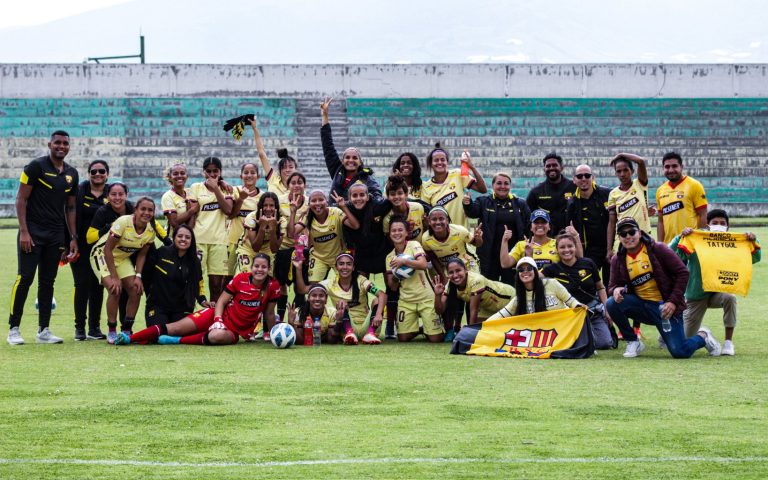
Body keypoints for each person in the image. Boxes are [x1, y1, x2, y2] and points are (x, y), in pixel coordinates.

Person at [606, 218, 721, 358]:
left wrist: (672, 302)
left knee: (680, 352)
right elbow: (611, 286)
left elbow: (683, 273)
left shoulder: (658, 249)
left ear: (640, 233)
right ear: (619, 237)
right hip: (642, 306)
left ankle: (703, 336)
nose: (628, 236)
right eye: (623, 234)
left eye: (631, 232)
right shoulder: (617, 259)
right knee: (611, 303)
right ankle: (633, 341)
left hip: (665, 308)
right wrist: (616, 290)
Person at [7, 130, 79, 345]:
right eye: (57, 142)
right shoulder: (35, 167)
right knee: (25, 278)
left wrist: (72, 238)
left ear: (69, 146)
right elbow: (21, 198)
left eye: (65, 143)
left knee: (48, 282)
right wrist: (25, 231)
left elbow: (71, 207)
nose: (61, 146)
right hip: (33, 232)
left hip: (55, 235)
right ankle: (14, 329)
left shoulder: (72, 174)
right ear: (49, 144)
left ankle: (44, 330)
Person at [115, 253, 280, 346]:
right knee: (174, 327)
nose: (259, 270)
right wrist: (217, 319)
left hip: (235, 331)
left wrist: (273, 335)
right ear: (252, 267)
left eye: (263, 267)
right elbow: (221, 301)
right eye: (257, 266)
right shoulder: (241, 279)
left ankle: (176, 341)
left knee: (216, 337)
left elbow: (270, 313)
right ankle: (130, 338)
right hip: (216, 316)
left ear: (269, 269)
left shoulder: (273, 286)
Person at [670, 209, 761, 356]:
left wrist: (753, 240)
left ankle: (728, 342)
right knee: (683, 342)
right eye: (715, 223)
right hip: (696, 295)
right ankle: (705, 336)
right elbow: (670, 253)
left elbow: (754, 258)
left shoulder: (732, 243)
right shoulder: (696, 239)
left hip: (719, 290)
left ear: (728, 226)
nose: (719, 225)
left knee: (730, 297)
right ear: (707, 225)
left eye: (722, 223)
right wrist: (679, 237)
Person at [89, 197, 160, 344]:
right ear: (136, 210)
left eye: (150, 210)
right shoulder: (123, 222)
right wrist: (114, 277)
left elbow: (142, 254)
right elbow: (107, 249)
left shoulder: (150, 230)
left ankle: (127, 329)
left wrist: (138, 276)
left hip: (121, 259)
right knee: (115, 289)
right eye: (143, 209)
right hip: (101, 255)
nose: (146, 213)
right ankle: (112, 331)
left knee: (136, 289)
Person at [294, 253, 387, 345]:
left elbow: (382, 294)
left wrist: (378, 314)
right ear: (336, 267)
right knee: (342, 303)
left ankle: (370, 333)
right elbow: (302, 290)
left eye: (349, 264)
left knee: (378, 300)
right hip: (345, 328)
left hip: (367, 325)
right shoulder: (330, 283)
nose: (345, 267)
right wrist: (298, 269)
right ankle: (349, 333)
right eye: (341, 264)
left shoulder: (361, 280)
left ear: (353, 267)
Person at [542, 233, 615, 350]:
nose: (566, 250)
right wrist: (528, 255)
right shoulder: (551, 269)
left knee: (604, 343)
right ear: (557, 250)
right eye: (562, 247)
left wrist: (607, 309)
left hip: (592, 312)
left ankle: (591, 332)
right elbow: (532, 279)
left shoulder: (588, 263)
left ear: (576, 247)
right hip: (569, 316)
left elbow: (600, 287)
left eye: (570, 246)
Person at [385, 217, 444, 343]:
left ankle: (430, 329)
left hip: (426, 298)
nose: (397, 233)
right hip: (406, 300)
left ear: (407, 233)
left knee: (436, 339)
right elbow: (392, 286)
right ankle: (421, 329)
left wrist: (405, 261)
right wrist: (397, 274)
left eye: (400, 230)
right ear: (389, 234)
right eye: (393, 231)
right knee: (403, 338)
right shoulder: (389, 257)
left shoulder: (414, 245)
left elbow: (422, 264)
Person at [464, 171, 530, 284]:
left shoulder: (520, 203)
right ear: (493, 185)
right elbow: (472, 213)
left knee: (513, 286)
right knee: (489, 288)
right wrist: (467, 204)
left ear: (510, 186)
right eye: (499, 183)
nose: (503, 186)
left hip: (513, 254)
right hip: (489, 254)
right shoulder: (484, 201)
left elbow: (529, 225)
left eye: (506, 183)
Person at [145, 224, 215, 326]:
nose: (183, 239)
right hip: (158, 306)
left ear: (192, 241)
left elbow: (199, 282)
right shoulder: (162, 252)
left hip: (182, 308)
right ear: (174, 238)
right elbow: (147, 273)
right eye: (180, 236)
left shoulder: (194, 261)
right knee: (159, 335)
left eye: (187, 237)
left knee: (179, 333)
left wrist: (203, 300)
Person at [71, 160, 110, 341]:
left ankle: (94, 328)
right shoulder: (79, 191)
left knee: (98, 286)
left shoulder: (112, 193)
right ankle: (80, 328)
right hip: (81, 246)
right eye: (93, 171)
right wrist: (70, 242)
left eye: (101, 171)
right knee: (81, 285)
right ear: (88, 174)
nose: (97, 174)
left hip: (103, 250)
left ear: (107, 174)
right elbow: (69, 214)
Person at [187, 157, 234, 301]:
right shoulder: (195, 188)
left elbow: (228, 210)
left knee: (216, 284)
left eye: (216, 171)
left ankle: (214, 318)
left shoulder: (226, 189)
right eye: (209, 171)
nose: (212, 174)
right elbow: (193, 212)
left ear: (220, 172)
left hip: (219, 241)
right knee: (194, 279)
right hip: (199, 240)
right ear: (203, 172)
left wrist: (216, 189)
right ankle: (191, 313)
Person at [320, 97, 382, 202]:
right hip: (334, 215)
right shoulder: (337, 170)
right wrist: (325, 115)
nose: (351, 160)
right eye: (347, 157)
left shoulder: (367, 179)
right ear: (343, 160)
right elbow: (327, 146)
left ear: (360, 162)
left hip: (353, 217)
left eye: (355, 157)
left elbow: (377, 195)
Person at [293, 190, 360, 282]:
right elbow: (292, 233)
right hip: (318, 257)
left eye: (321, 199)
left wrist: (343, 207)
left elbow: (355, 225)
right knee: (314, 288)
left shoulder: (335, 212)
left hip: (339, 256)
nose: (317, 203)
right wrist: (293, 212)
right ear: (309, 204)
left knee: (346, 285)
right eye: (313, 201)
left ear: (327, 201)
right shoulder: (308, 216)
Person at [488, 256, 582, 320]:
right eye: (521, 270)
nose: (525, 272)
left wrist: (580, 308)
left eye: (529, 268)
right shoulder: (519, 298)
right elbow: (501, 315)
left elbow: (571, 301)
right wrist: (482, 326)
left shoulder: (551, 283)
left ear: (536, 271)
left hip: (563, 325)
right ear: (518, 275)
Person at [421, 143, 487, 229]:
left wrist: (472, 167)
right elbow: (427, 217)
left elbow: (482, 189)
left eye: (442, 159)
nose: (440, 162)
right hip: (440, 236)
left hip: (461, 233)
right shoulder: (426, 187)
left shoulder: (457, 174)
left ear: (447, 162)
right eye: (436, 160)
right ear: (431, 163)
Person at [434, 258, 514, 325]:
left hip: (507, 299)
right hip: (487, 307)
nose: (455, 275)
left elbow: (473, 309)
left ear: (465, 269)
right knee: (483, 329)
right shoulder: (450, 285)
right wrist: (437, 295)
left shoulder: (476, 280)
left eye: (458, 270)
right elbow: (439, 311)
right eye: (451, 272)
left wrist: (470, 332)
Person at [566, 164, 611, 283]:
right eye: (580, 176)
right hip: (589, 251)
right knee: (588, 282)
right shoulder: (572, 202)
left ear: (593, 177)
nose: (584, 179)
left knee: (611, 284)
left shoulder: (607, 194)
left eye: (587, 175)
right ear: (574, 180)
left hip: (610, 247)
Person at [275, 172, 310, 319]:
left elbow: (294, 232)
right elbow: (288, 233)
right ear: (287, 185)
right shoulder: (279, 200)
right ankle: (280, 319)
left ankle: (298, 320)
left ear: (304, 185)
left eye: (299, 182)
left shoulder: (309, 202)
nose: (296, 185)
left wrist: (293, 214)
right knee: (281, 286)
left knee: (299, 286)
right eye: (293, 182)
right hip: (282, 248)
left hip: (300, 249)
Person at [606, 152, 652, 259]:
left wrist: (620, 154)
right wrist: (609, 249)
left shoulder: (640, 184)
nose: (622, 174)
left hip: (643, 236)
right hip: (623, 239)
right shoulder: (613, 194)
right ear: (616, 173)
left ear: (632, 171)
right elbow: (612, 222)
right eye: (619, 171)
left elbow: (640, 161)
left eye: (625, 170)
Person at [656, 152, 708, 243]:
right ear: (663, 168)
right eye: (667, 167)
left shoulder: (694, 185)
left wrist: (700, 240)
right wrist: (660, 244)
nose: (671, 170)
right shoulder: (660, 190)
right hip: (669, 246)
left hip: (690, 244)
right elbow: (660, 221)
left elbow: (703, 215)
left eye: (674, 166)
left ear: (681, 167)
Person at [344, 181, 392, 276]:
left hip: (382, 252)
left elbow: (395, 200)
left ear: (368, 197)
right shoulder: (345, 209)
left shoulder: (378, 206)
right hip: (361, 255)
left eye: (362, 195)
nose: (358, 198)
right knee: (361, 287)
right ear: (349, 198)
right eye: (355, 195)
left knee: (391, 285)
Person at [499, 209, 571, 271]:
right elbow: (505, 264)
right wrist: (504, 241)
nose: (540, 225)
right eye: (536, 222)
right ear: (531, 227)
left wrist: (576, 237)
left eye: (543, 222)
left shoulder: (558, 243)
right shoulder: (521, 245)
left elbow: (574, 260)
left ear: (549, 227)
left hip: (554, 284)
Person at [526, 153, 576, 235]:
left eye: (554, 165)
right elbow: (529, 218)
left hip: (569, 239)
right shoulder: (535, 192)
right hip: (546, 239)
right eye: (548, 166)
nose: (551, 168)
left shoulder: (574, 188)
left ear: (562, 168)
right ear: (544, 169)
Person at [228, 162, 263, 275]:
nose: (249, 175)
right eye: (246, 172)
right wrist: (241, 199)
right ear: (241, 176)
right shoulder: (234, 191)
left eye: (253, 172)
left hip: (251, 244)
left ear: (258, 176)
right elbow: (231, 215)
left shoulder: (262, 197)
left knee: (250, 276)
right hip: (233, 241)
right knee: (227, 277)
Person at [249, 117, 298, 198]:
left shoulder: (299, 186)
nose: (288, 170)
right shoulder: (273, 179)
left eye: (291, 167)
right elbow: (262, 154)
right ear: (279, 170)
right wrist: (254, 128)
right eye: (284, 167)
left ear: (296, 169)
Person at [235, 192, 282, 273]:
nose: (268, 209)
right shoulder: (251, 217)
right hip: (248, 249)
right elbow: (255, 248)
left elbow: (274, 249)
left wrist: (273, 229)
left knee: (265, 279)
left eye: (271, 205)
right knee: (246, 276)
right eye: (265, 205)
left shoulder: (281, 220)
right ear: (260, 206)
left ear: (276, 207)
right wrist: (262, 227)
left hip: (268, 251)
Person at [161, 163, 198, 236]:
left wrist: (221, 182)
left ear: (187, 176)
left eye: (182, 173)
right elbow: (174, 223)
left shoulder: (191, 192)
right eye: (175, 174)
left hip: (190, 238)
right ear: (170, 177)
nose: (179, 176)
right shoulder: (168, 196)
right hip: (173, 239)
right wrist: (192, 211)